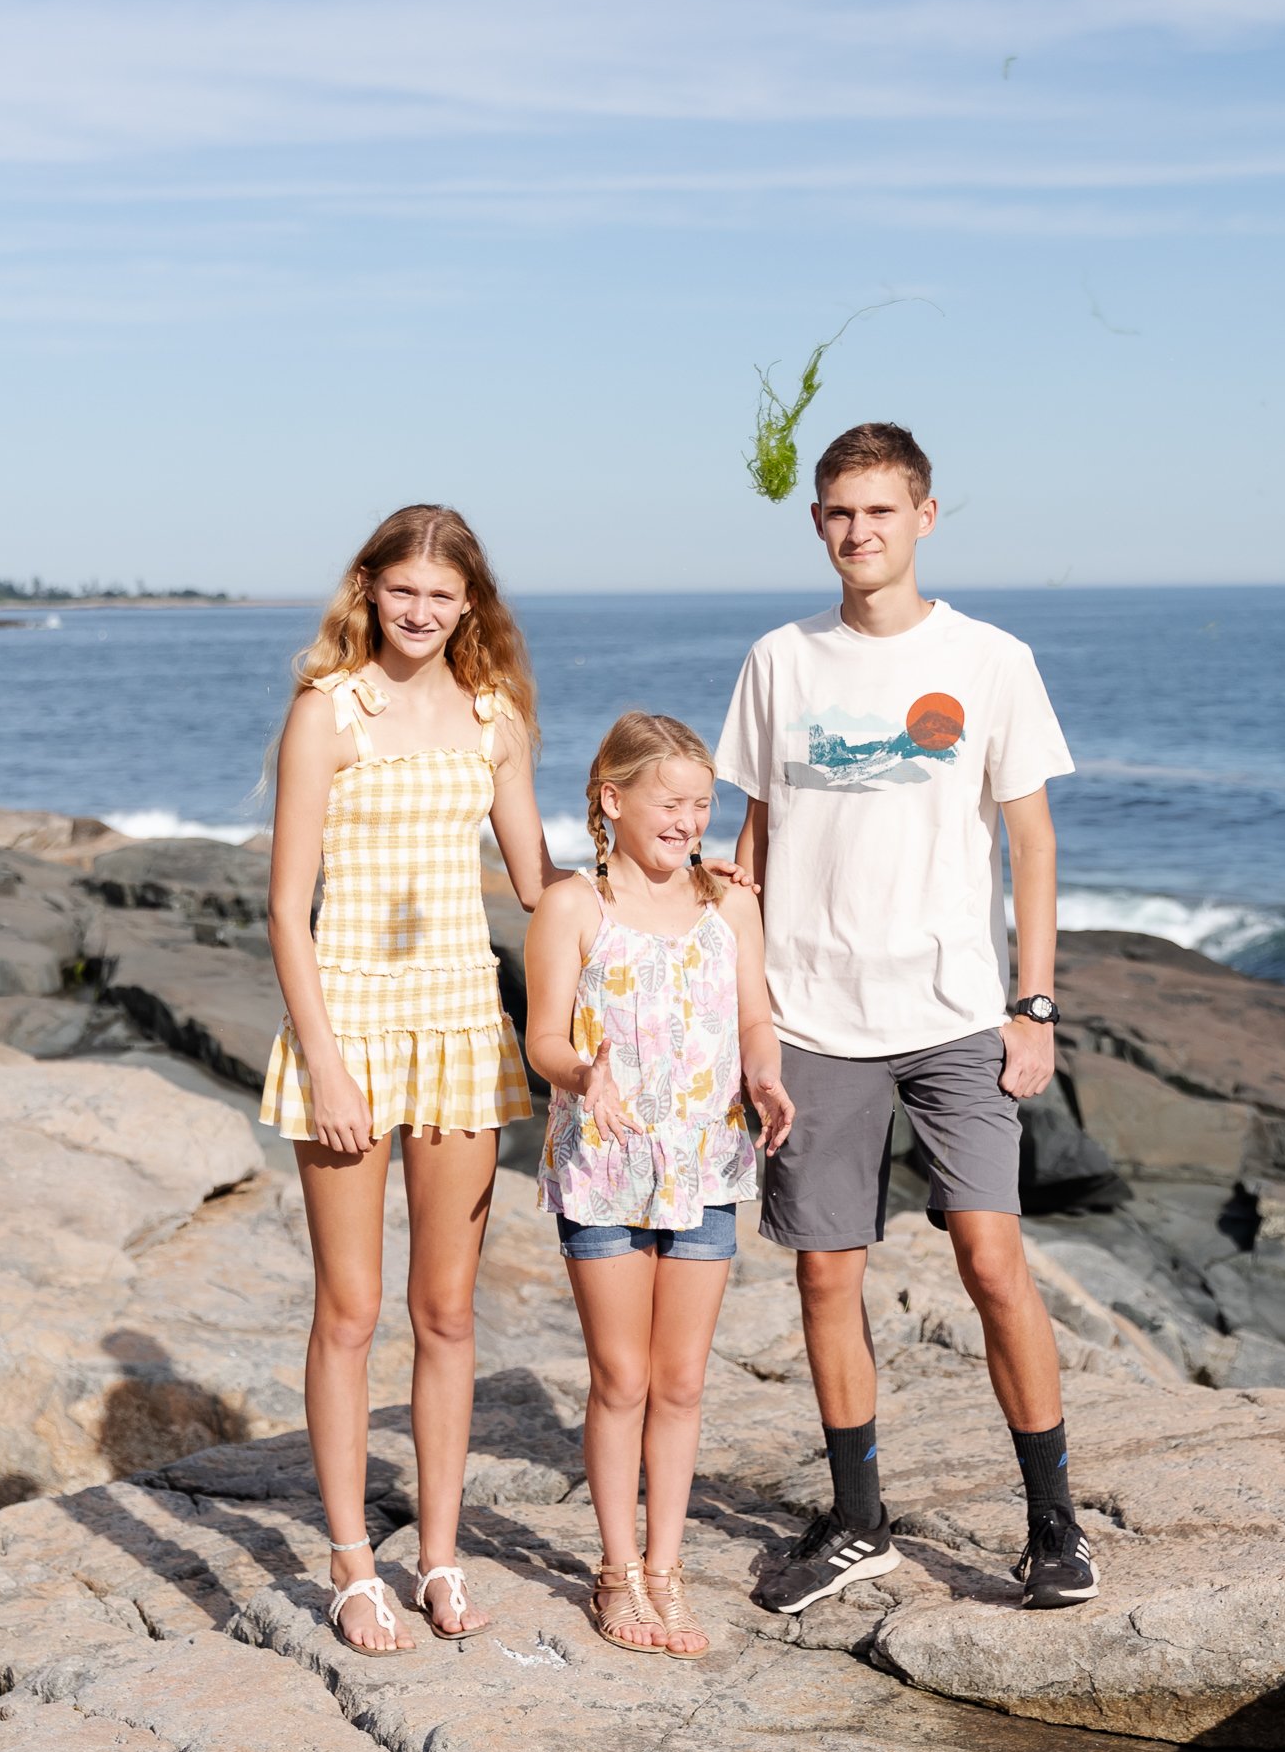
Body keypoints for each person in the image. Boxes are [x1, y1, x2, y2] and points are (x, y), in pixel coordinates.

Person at [715, 421, 1097, 1613]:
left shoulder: (990, 659)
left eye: (880, 511)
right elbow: (756, 842)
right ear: (818, 523)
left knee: (992, 1260)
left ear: (923, 517)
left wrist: (1031, 1006)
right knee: (828, 1276)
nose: (858, 532)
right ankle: (860, 1524)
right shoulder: (781, 660)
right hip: (813, 1019)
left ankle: (1053, 1528)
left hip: (953, 1013)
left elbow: (1029, 843)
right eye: (838, 513)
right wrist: (742, 1014)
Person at [261, 504, 555, 1657]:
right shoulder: (328, 712)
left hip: (459, 1031)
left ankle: (438, 1552)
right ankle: (348, 1563)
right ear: (369, 589)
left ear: (469, 604)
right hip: (349, 1027)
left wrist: (670, 872)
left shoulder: (496, 718)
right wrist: (326, 1061)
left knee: (445, 1312)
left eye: (442, 596)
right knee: (350, 1311)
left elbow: (537, 883)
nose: (420, 613)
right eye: (401, 592)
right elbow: (287, 905)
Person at [525, 714, 794, 1658]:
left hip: (704, 1167)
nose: (689, 821)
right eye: (670, 802)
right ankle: (614, 1568)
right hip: (602, 1170)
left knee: (680, 1381)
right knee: (622, 1377)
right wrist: (583, 1075)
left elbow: (756, 1019)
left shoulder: (730, 904)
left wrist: (763, 1077)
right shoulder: (573, 906)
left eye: (701, 804)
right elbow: (543, 1037)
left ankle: (667, 1570)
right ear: (612, 798)